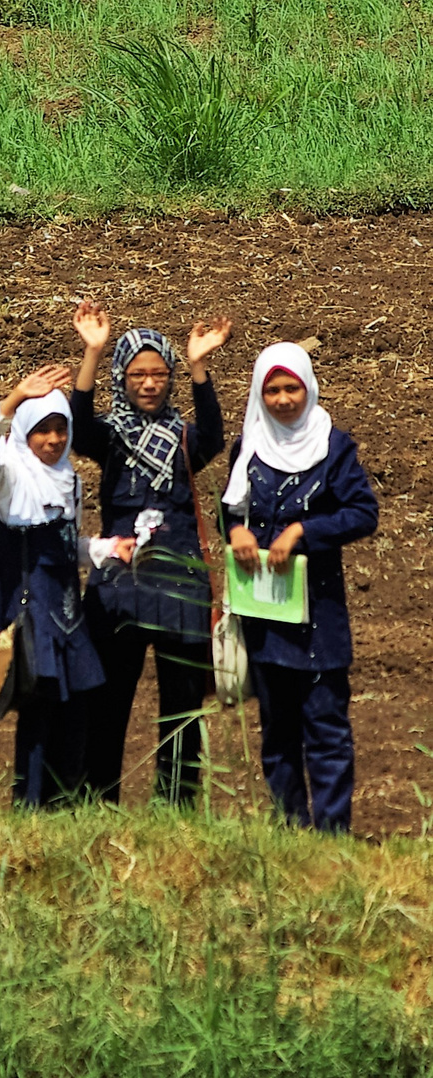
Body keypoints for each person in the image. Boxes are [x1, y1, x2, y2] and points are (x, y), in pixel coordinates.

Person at [70, 301, 232, 806]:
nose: (148, 383)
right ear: (123, 376)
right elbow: (76, 426)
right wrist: (93, 352)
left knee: (182, 703)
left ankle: (176, 808)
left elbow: (215, 437)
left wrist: (199, 368)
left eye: (159, 374)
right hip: (120, 586)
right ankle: (99, 800)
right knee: (106, 700)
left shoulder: (184, 438)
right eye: (137, 374)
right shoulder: (109, 435)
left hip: (179, 586)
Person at [222, 342, 377, 832]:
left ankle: (332, 835)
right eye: (272, 390)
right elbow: (231, 507)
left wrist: (304, 532)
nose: (284, 399)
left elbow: (362, 513)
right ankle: (290, 830)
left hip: (318, 615)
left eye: (292, 388)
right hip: (265, 609)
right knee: (277, 729)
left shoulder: (333, 448)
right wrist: (237, 531)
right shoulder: (248, 445)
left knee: (327, 728)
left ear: (308, 388)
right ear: (258, 393)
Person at [0, 365, 118, 808]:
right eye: (41, 431)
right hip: (31, 619)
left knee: (72, 716)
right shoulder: (10, 477)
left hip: (68, 617)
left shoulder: (70, 479)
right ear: (25, 434)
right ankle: (28, 809)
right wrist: (12, 401)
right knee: (36, 718)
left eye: (59, 430)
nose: (52, 440)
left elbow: (67, 547)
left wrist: (108, 549)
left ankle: (64, 808)